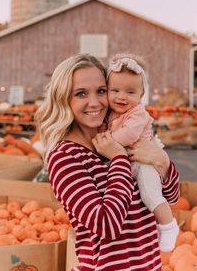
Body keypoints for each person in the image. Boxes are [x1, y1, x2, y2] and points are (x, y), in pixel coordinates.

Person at [35, 54, 180, 271]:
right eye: (81, 93)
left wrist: (162, 162)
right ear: (64, 98)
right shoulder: (65, 157)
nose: (94, 102)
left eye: (101, 91)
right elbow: (107, 225)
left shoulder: (118, 135)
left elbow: (172, 197)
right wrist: (119, 157)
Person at [105, 53, 179, 252]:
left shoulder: (137, 112)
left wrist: (106, 145)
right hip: (128, 160)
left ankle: (169, 225)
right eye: (115, 90)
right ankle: (157, 226)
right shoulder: (109, 112)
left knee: (150, 193)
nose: (122, 96)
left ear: (141, 95)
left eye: (130, 92)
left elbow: (129, 135)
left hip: (144, 161)